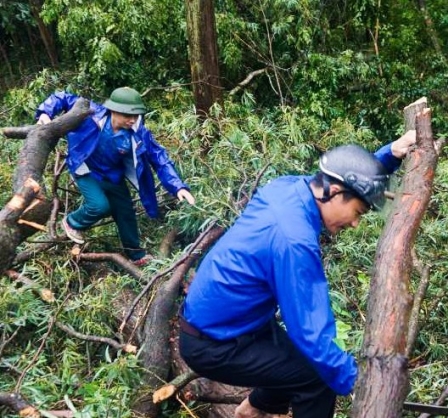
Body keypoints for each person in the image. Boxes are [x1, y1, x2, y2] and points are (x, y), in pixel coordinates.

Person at [179, 131, 416, 418]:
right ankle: (260, 407)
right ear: (336, 194)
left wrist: (389, 154)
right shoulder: (293, 241)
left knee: (300, 362)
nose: (355, 223)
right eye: (358, 212)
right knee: (317, 378)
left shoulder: (290, 187)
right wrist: (361, 381)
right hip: (215, 343)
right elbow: (311, 333)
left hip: (239, 322)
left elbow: (343, 175)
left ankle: (254, 409)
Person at [35, 87, 195, 266]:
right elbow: (61, 97)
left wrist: (178, 186)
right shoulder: (92, 115)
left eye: (135, 115)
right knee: (99, 206)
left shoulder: (138, 132)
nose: (132, 120)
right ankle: (72, 222)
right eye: (127, 115)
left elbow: (159, 158)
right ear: (113, 110)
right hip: (86, 168)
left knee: (125, 212)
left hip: (113, 175)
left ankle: (135, 255)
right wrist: (45, 113)